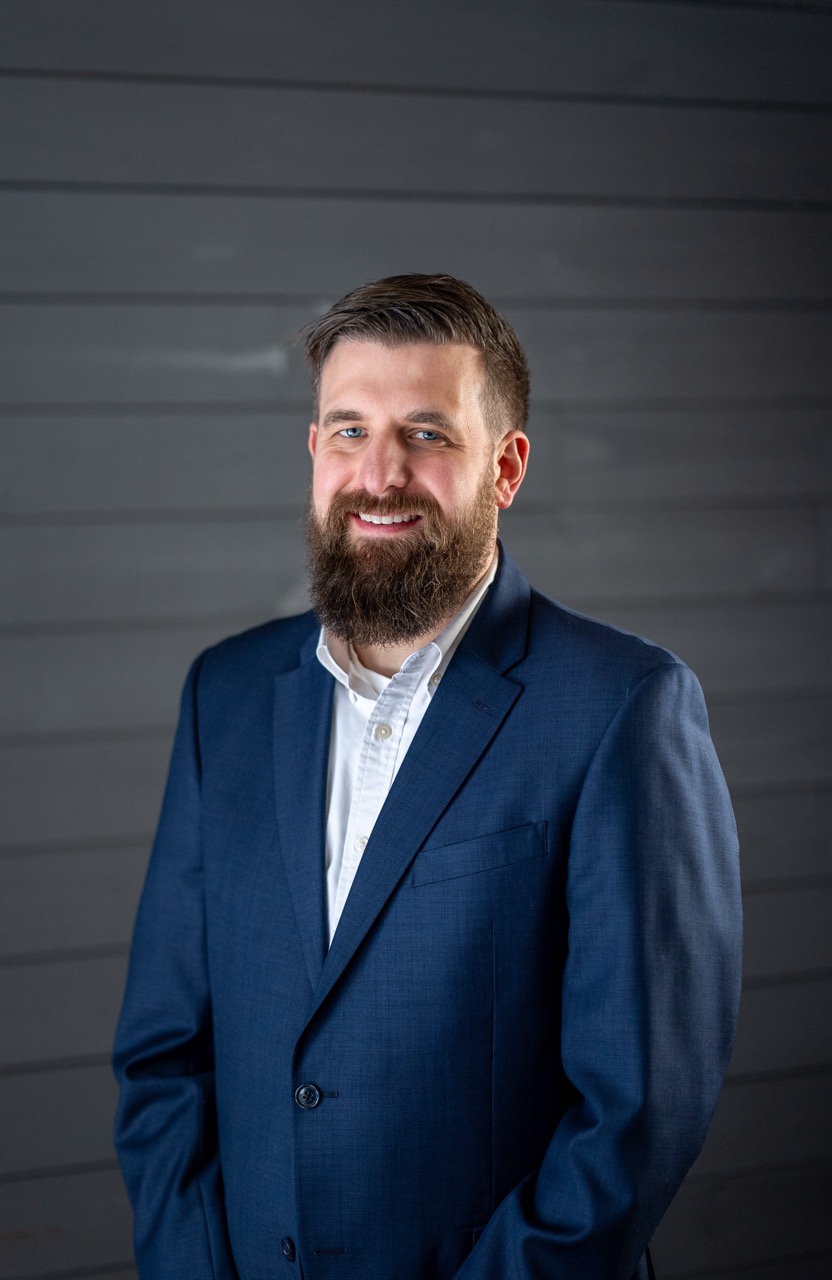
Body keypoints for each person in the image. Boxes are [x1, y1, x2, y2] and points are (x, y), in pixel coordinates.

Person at [113, 273, 742, 1280]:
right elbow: (162, 1059)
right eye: (350, 429)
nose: (382, 472)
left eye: (429, 433)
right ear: (314, 453)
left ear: (507, 466)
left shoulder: (625, 707)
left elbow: (640, 1107)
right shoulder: (223, 696)